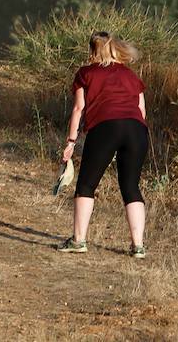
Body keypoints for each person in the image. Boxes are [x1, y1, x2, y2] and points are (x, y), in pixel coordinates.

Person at [58, 32, 149, 257]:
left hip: (106, 127)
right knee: (131, 186)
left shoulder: (86, 73)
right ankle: (138, 246)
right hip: (137, 130)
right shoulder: (130, 75)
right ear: (115, 48)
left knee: (87, 185)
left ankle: (78, 241)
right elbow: (142, 110)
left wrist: (71, 141)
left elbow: (79, 109)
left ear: (92, 51)